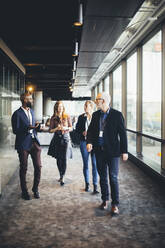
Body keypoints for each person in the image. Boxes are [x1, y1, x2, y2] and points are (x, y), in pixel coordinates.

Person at [86, 92, 128, 216]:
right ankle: (105, 200)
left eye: (97, 99)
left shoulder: (117, 115)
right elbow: (90, 132)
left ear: (103, 101)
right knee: (103, 177)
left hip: (113, 152)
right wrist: (89, 142)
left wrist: (124, 151)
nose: (95, 101)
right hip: (99, 151)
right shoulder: (95, 115)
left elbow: (123, 134)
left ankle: (115, 204)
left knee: (113, 177)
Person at [11, 92, 42, 200]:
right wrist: (27, 128)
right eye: (30, 99)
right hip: (23, 144)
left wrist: (36, 127)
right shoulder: (17, 114)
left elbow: (33, 127)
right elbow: (15, 130)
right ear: (24, 100)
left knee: (38, 166)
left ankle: (35, 189)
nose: (32, 100)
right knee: (23, 168)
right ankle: (24, 191)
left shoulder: (32, 112)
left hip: (34, 142)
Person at [76, 100, 99, 194]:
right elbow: (77, 129)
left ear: (92, 107)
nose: (85, 107)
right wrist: (82, 132)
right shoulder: (81, 117)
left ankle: (95, 185)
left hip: (94, 143)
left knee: (95, 164)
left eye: (87, 106)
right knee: (86, 164)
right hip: (83, 142)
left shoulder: (96, 117)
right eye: (85, 106)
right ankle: (87, 184)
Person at [48, 101, 72, 186]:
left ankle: (63, 176)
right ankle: (61, 174)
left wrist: (65, 128)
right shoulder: (53, 118)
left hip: (65, 139)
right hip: (57, 139)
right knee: (58, 158)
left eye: (61, 106)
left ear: (63, 107)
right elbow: (50, 130)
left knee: (64, 158)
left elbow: (71, 128)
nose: (60, 108)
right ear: (56, 108)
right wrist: (56, 128)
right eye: (58, 106)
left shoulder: (67, 116)